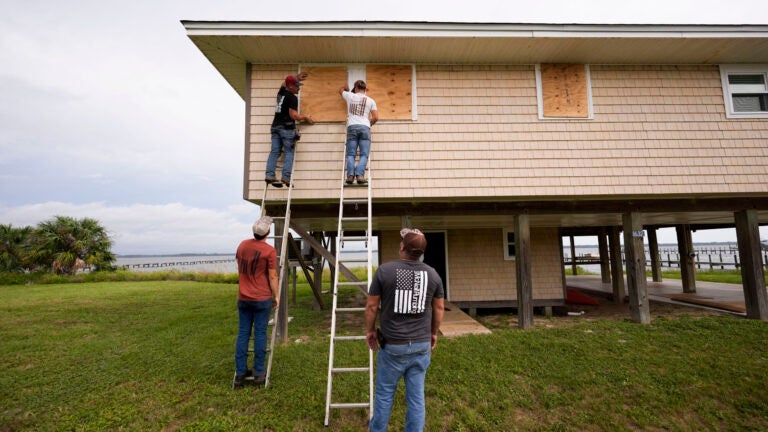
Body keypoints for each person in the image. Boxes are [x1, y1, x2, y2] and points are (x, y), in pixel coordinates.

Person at [365, 228, 445, 432]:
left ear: (402, 247)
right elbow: (439, 307)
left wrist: (370, 330)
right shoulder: (433, 274)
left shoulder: (385, 270)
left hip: (393, 346)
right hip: (420, 345)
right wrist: (433, 333)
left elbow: (372, 306)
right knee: (417, 398)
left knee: (384, 395)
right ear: (422, 252)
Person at [233, 216, 280, 388]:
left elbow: (240, 264)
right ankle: (259, 373)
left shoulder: (242, 245)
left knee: (243, 333)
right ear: (268, 232)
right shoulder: (269, 251)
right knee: (260, 334)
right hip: (261, 298)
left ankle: (240, 373)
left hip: (243, 297)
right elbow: (272, 275)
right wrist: (276, 295)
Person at [266, 73, 314, 188]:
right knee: (288, 152)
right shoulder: (292, 98)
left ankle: (269, 175)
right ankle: (286, 177)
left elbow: (284, 83)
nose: (299, 87)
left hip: (275, 127)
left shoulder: (281, 93)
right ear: (291, 86)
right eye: (297, 85)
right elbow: (293, 115)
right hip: (286, 129)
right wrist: (305, 117)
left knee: (275, 152)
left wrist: (296, 77)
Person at [339, 80, 378, 185]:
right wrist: (369, 124)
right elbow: (375, 117)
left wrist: (346, 88)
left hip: (352, 127)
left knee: (351, 154)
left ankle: (350, 176)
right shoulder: (370, 100)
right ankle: (360, 175)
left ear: (356, 88)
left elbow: (340, 91)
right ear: (365, 90)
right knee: (364, 154)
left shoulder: (350, 96)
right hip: (365, 127)